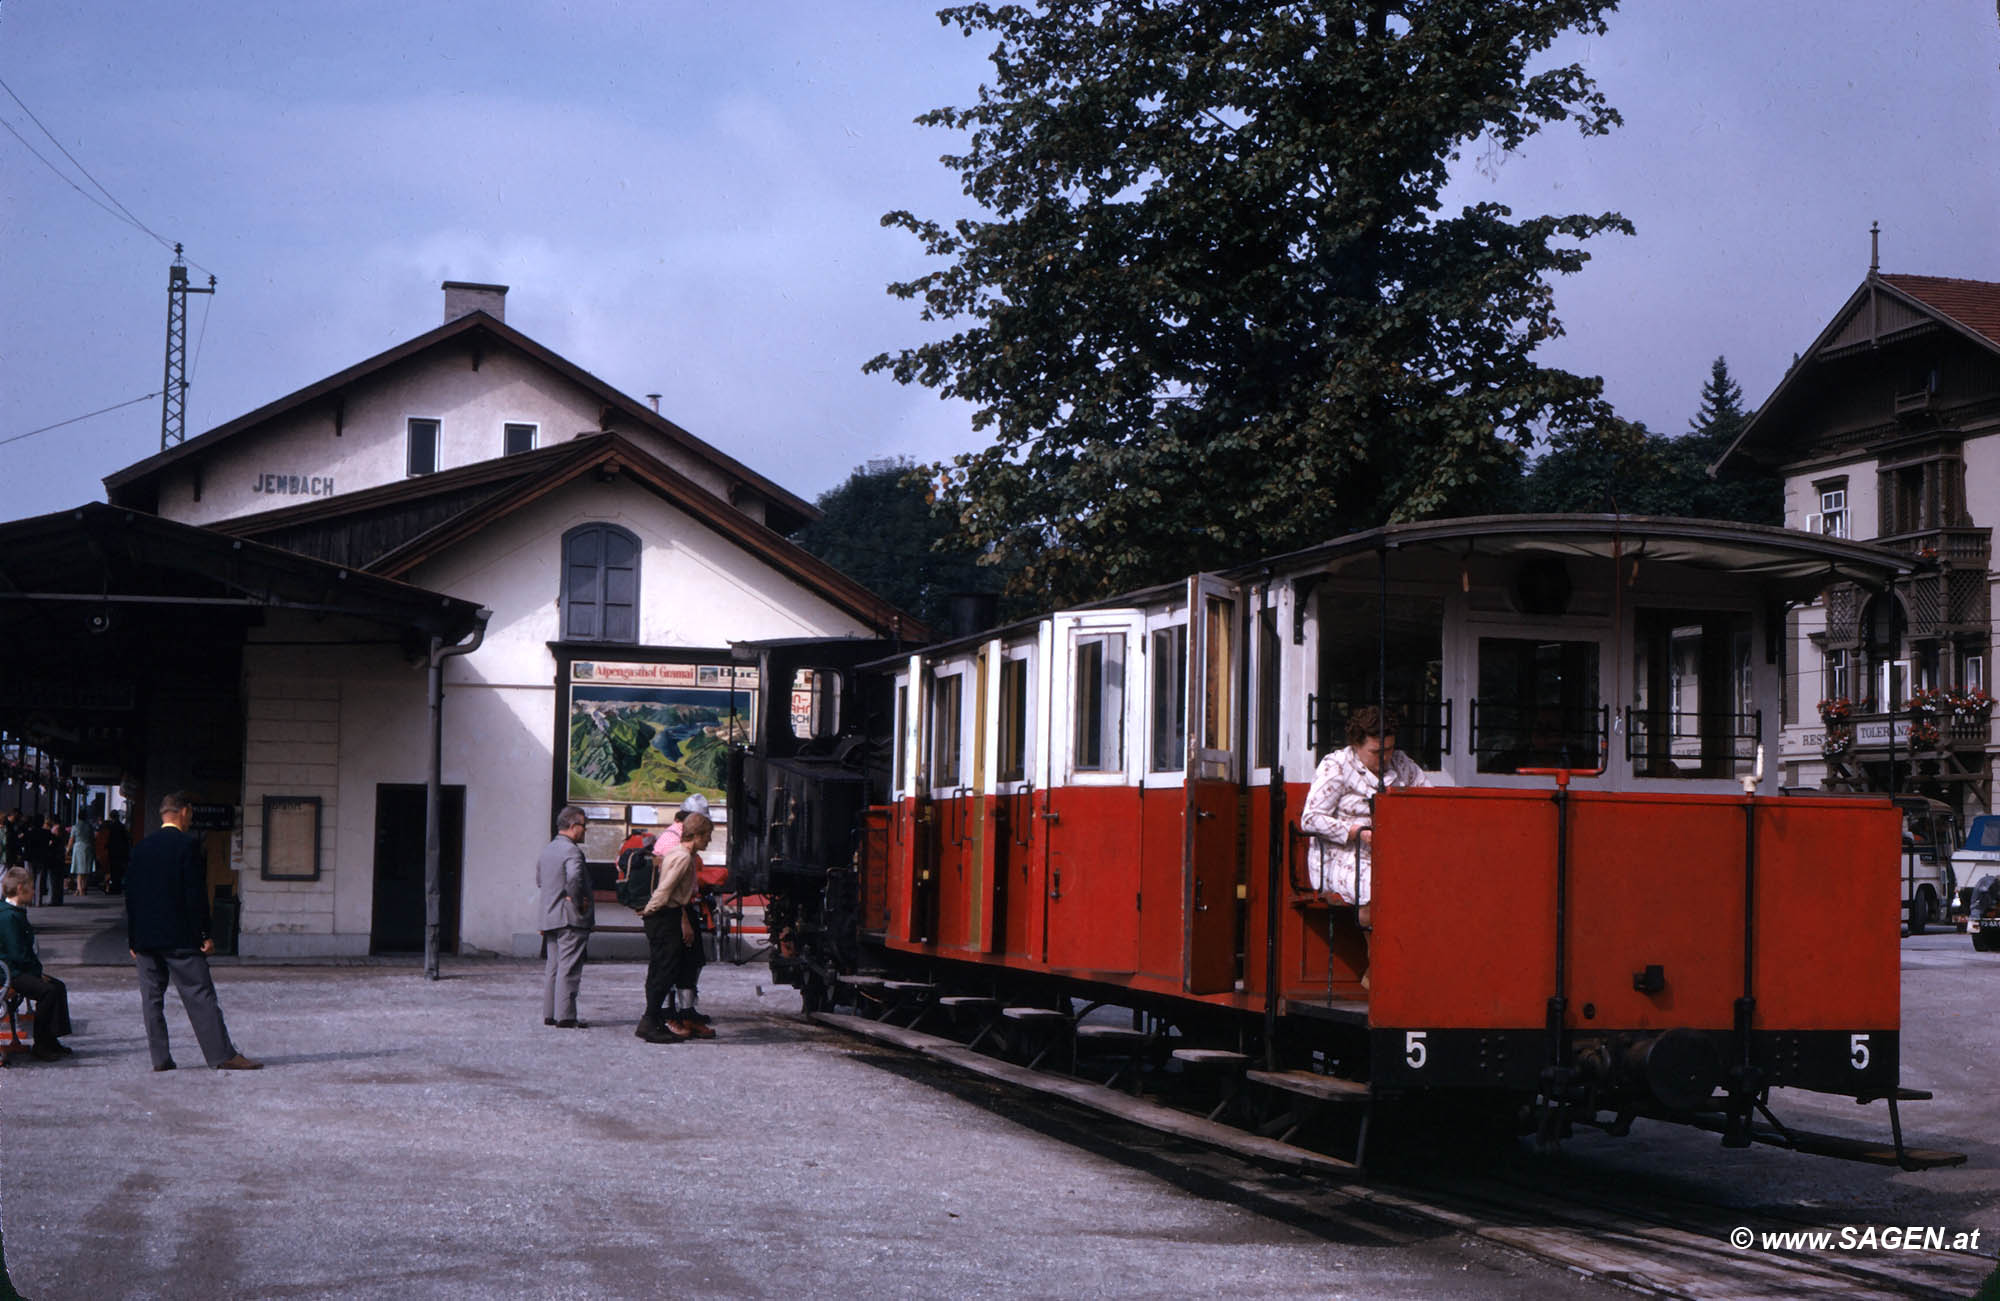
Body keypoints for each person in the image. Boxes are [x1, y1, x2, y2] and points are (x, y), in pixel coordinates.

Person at [126, 792, 260, 1071]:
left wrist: (133, 938)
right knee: (200, 994)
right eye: (191, 813)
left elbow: (132, 896)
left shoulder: (140, 847)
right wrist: (205, 934)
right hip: (180, 937)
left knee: (151, 1000)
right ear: (184, 812)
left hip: (146, 940)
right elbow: (194, 895)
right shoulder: (188, 846)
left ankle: (160, 1059)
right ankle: (221, 1055)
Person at [1300, 707, 1428, 984]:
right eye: (1376, 752)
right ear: (1356, 745)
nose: (1385, 758)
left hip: (1395, 852)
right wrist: (1356, 831)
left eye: (1390, 749)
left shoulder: (1402, 764)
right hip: (1341, 852)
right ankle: (1381, 966)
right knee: (1377, 886)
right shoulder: (1335, 766)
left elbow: (1429, 801)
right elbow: (1309, 819)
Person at [638, 811, 715, 1041]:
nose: (710, 840)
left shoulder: (680, 854)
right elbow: (666, 889)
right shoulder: (682, 857)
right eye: (708, 835)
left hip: (665, 914)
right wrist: (651, 911)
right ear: (698, 835)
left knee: (664, 969)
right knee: (664, 970)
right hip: (665, 915)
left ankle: (654, 1021)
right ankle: (650, 1022)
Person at [0, 866, 74, 1060]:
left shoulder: (13, 912)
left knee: (57, 986)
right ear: (19, 889)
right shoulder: (8, 916)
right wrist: (36, 973)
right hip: (10, 973)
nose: (34, 892)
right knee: (48, 991)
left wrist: (36, 971)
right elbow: (17, 953)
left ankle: (51, 1040)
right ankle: (41, 1044)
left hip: (16, 969)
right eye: (31, 888)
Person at [538, 805, 594, 1028]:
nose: (585, 831)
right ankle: (566, 1016)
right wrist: (577, 899)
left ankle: (550, 1013)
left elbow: (540, 880)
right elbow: (575, 876)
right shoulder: (572, 851)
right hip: (570, 917)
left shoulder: (548, 849)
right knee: (569, 967)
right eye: (584, 826)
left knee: (554, 966)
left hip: (549, 915)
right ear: (573, 827)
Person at [96, 811, 131, 895]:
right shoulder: (122, 827)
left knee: (113, 870)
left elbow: (106, 839)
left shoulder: (110, 827)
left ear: (111, 817)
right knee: (119, 870)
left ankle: (113, 888)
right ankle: (117, 887)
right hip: (121, 851)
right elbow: (127, 839)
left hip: (112, 851)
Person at [69, 812, 96, 896]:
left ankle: (80, 889)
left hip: (78, 848)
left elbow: (71, 839)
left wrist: (68, 849)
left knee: (79, 870)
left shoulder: (75, 827)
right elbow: (93, 839)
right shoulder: (90, 827)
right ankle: (82, 888)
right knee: (86, 869)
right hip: (88, 847)